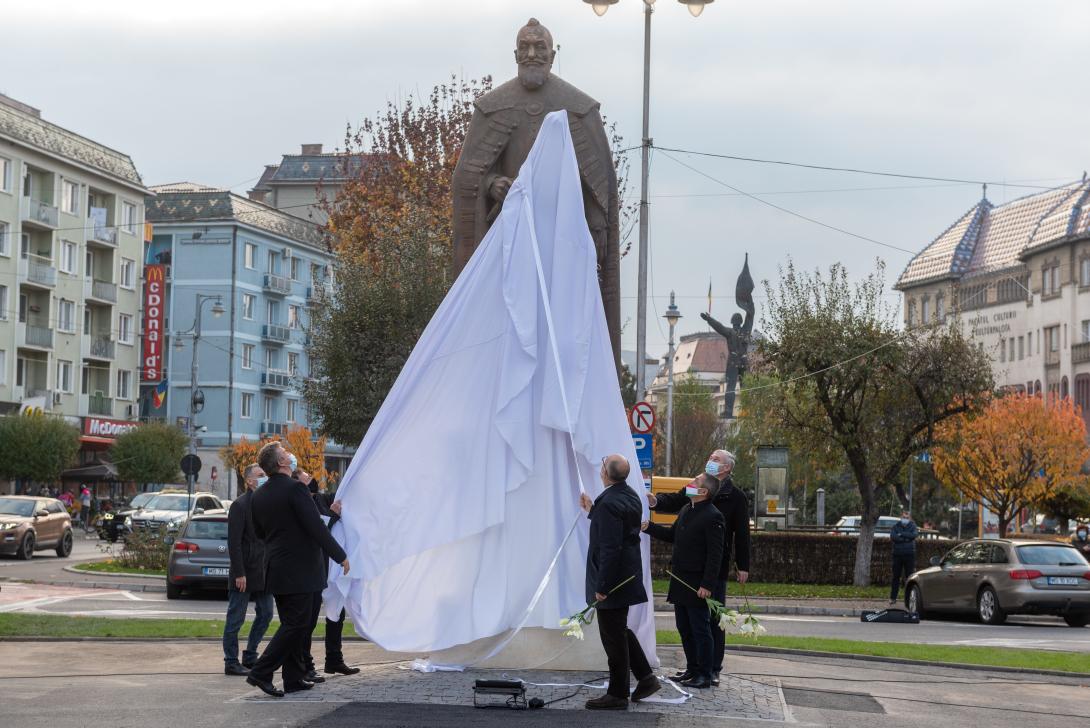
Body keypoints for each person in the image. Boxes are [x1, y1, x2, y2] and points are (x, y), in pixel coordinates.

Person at [245, 442, 350, 698]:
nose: (289, 456)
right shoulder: (296, 489)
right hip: (300, 569)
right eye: (285, 454)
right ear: (281, 463)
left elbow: (259, 533)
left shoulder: (259, 494)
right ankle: (261, 672)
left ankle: (293, 677)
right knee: (297, 624)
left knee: (294, 623)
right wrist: (340, 556)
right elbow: (316, 526)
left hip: (276, 568)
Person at [649, 449, 749, 685]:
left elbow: (742, 533)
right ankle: (696, 668)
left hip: (712, 569)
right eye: (711, 458)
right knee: (690, 622)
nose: (710, 462)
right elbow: (676, 499)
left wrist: (742, 565)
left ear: (727, 468)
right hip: (689, 568)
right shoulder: (696, 493)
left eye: (716, 460)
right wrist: (655, 502)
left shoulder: (734, 496)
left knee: (712, 620)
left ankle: (711, 668)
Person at [579, 454, 660, 710]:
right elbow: (619, 529)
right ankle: (646, 679)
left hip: (612, 582)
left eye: (602, 466)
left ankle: (617, 694)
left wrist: (602, 587)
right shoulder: (629, 496)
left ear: (605, 473)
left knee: (613, 637)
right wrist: (592, 510)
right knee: (620, 631)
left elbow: (611, 547)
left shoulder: (609, 503)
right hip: (625, 577)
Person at [645, 474, 725, 689]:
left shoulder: (713, 516)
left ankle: (705, 674)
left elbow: (715, 554)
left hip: (697, 582)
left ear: (703, 492)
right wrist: (647, 526)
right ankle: (692, 668)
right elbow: (673, 536)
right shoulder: (686, 509)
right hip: (680, 578)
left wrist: (707, 585)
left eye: (695, 482)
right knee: (684, 627)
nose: (689, 485)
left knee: (700, 629)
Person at [291, 455, 359, 680]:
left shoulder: (318, 498)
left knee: (335, 612)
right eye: (306, 477)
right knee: (307, 621)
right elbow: (317, 528)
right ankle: (305, 665)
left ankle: (334, 659)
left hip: (329, 568)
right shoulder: (298, 502)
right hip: (312, 566)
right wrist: (333, 515)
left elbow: (342, 497)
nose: (311, 479)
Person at [222, 463, 275, 676]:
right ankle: (231, 661)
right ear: (250, 481)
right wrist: (239, 572)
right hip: (244, 572)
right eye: (260, 475)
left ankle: (251, 655)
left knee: (266, 614)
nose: (265, 478)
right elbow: (234, 543)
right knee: (236, 618)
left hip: (264, 571)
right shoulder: (240, 505)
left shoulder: (267, 503)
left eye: (265, 474)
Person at [889, 509, 918, 607]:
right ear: (901, 517)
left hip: (909, 555)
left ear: (909, 518)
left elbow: (913, 535)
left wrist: (901, 534)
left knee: (909, 578)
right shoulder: (896, 526)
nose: (905, 519)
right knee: (895, 577)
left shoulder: (913, 526)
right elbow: (893, 537)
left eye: (907, 518)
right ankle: (893, 598)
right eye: (903, 517)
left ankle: (908, 599)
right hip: (897, 555)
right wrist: (906, 538)